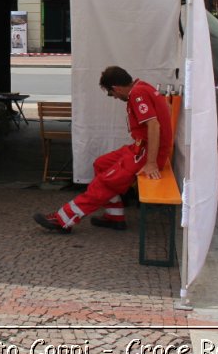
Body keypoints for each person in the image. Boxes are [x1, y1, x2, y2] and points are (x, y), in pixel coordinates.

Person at [33, 66, 173, 234]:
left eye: (110, 93)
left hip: (145, 153)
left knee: (104, 182)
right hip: (141, 148)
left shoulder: (137, 94)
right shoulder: (142, 86)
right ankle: (115, 217)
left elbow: (154, 125)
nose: (113, 97)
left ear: (115, 88)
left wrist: (151, 163)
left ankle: (63, 219)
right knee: (101, 164)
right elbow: (164, 111)